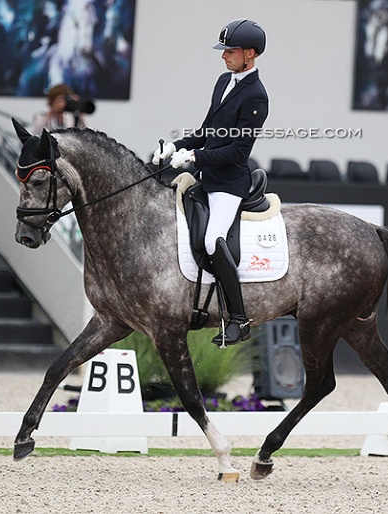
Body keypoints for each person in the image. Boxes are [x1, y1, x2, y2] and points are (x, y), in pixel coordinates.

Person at [152, 19, 269, 346]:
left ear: (249, 54)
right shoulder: (223, 82)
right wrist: (179, 145)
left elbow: (238, 151)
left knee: (212, 239)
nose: (223, 57)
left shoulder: (257, 96)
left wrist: (196, 159)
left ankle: (239, 319)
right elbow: (208, 132)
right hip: (208, 177)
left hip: (230, 183)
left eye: (230, 51)